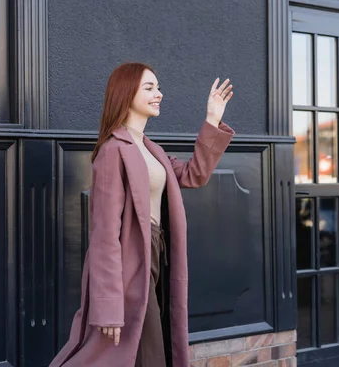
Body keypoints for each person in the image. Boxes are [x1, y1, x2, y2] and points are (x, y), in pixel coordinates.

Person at [49, 62, 234, 367]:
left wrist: (212, 118)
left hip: (158, 254)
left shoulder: (152, 150)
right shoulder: (113, 149)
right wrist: (108, 305)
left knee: (149, 346)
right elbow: (105, 232)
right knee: (143, 352)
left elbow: (194, 175)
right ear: (126, 93)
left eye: (158, 87)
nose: (158, 94)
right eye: (149, 88)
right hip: (131, 262)